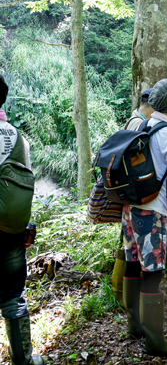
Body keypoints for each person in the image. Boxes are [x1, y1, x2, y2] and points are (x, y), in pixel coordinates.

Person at [121, 78, 167, 356]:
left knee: (132, 264)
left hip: (130, 209)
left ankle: (135, 325)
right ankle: (154, 341)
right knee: (153, 271)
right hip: (152, 212)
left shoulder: (144, 124)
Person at [0, 75, 44, 365]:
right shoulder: (16, 136)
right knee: (12, 296)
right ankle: (24, 360)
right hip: (7, 229)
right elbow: (24, 184)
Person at [112, 88, 156, 304]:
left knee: (130, 252)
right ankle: (135, 310)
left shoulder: (132, 119)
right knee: (142, 257)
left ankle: (129, 310)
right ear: (152, 104)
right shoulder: (139, 124)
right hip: (138, 199)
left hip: (128, 199)